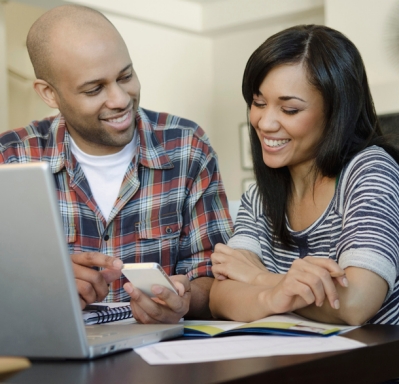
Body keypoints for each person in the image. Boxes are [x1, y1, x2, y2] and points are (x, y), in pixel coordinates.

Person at [0, 4, 233, 324]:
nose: (121, 99)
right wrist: (39, 283)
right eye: (95, 88)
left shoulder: (188, 147)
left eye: (126, 76)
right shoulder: (8, 159)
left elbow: (214, 275)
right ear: (49, 94)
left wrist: (184, 298)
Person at [210, 24, 399, 326]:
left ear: (336, 112)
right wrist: (275, 294)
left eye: (290, 110)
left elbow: (356, 303)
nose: (265, 122)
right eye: (258, 103)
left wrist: (257, 277)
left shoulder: (369, 170)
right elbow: (220, 298)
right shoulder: (258, 198)